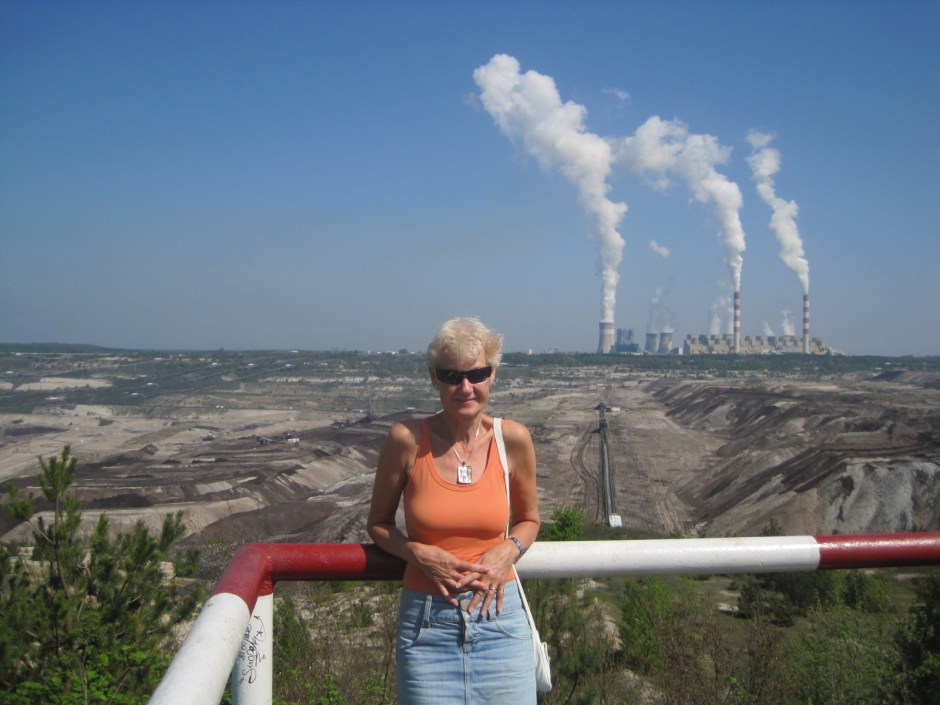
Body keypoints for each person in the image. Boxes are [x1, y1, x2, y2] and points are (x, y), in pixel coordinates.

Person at [367, 316, 541, 704]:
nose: (465, 387)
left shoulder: (512, 439)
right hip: (428, 627)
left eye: (476, 373)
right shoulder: (407, 440)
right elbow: (377, 524)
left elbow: (530, 519)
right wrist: (416, 553)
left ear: (492, 374)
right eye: (451, 376)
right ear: (434, 378)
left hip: (501, 622)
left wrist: (509, 550)